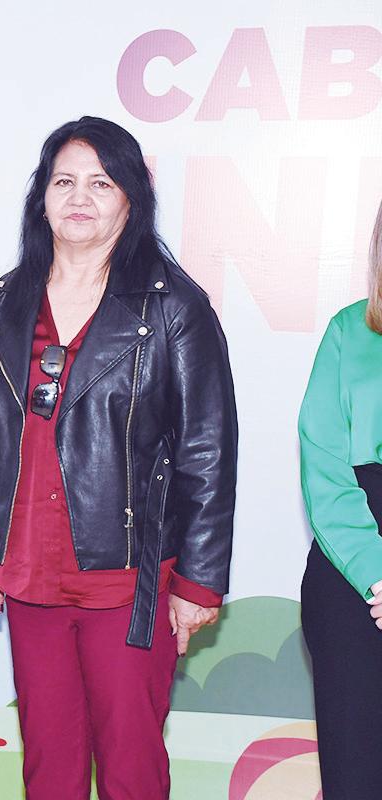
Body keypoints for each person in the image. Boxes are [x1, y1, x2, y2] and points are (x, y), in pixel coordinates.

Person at [0, 116, 237, 800]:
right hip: (28, 570)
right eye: (64, 182)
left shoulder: (174, 307)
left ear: (131, 197)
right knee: (48, 763)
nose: (79, 197)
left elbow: (207, 448)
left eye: (101, 183)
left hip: (130, 579)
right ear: (42, 198)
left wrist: (199, 583)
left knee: (130, 764)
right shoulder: (5, 302)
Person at [298, 197, 382, 799]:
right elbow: (323, 467)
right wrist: (378, 576)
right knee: (356, 775)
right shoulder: (348, 330)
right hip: (353, 582)